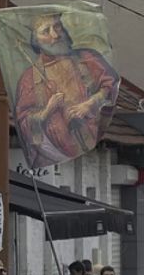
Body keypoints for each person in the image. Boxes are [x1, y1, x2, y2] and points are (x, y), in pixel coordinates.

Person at [12, 12, 119, 168]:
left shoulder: (86, 58)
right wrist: (46, 111)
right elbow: (23, 120)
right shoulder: (29, 78)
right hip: (52, 157)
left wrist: (89, 104)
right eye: (46, 31)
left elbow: (111, 85)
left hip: (89, 141)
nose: (55, 35)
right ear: (36, 40)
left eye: (57, 27)